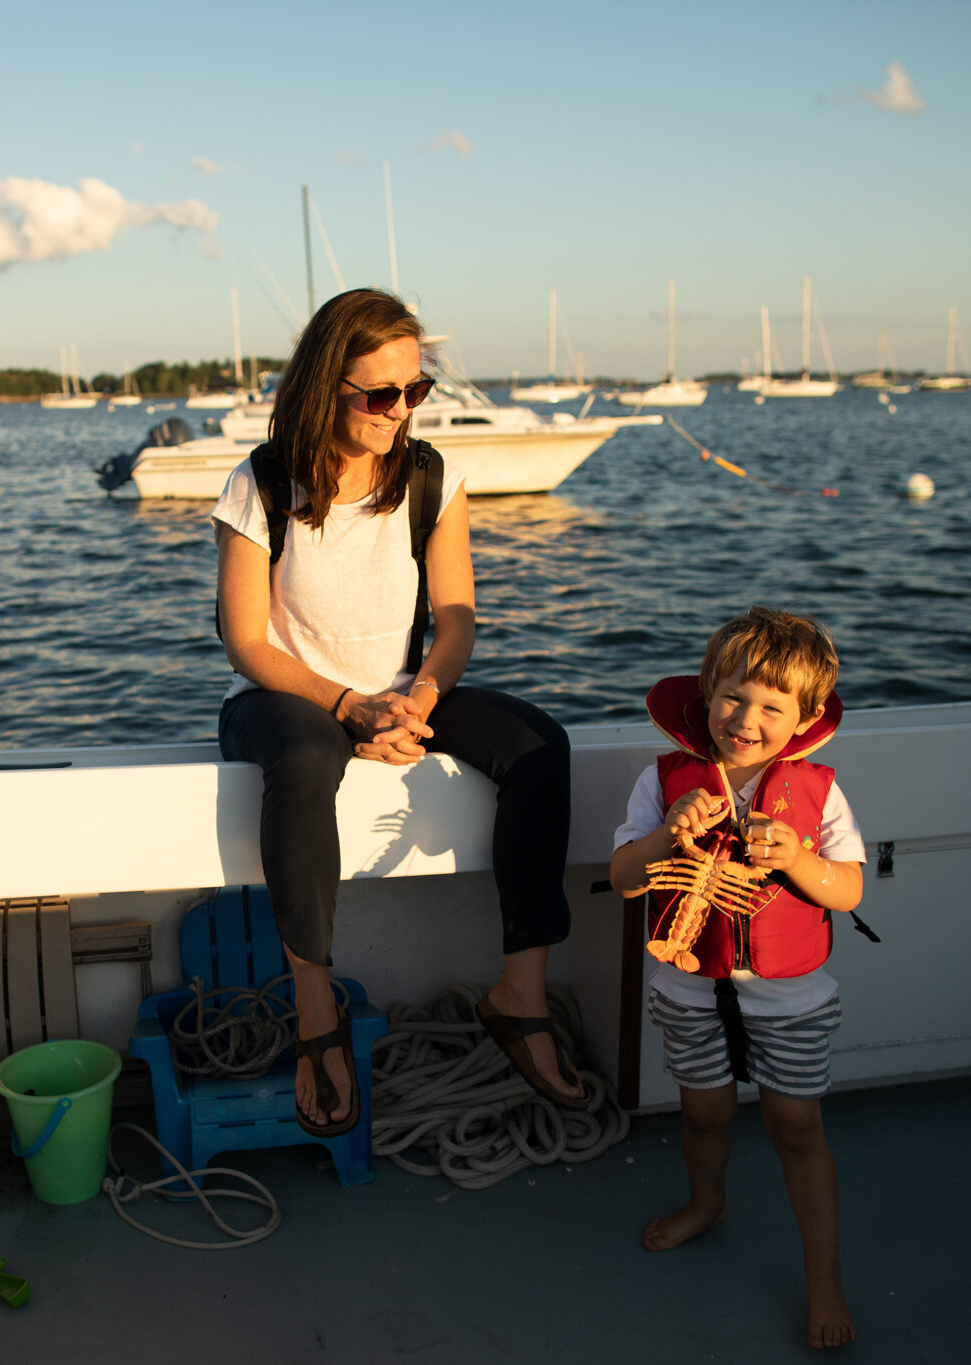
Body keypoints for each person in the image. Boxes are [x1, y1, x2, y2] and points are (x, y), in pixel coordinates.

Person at [212, 287, 586, 1139]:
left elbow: (456, 618)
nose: (400, 410)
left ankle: (518, 991)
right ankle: (315, 1012)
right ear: (323, 384)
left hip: (397, 692)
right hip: (281, 701)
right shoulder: (261, 482)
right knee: (307, 758)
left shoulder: (431, 478)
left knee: (540, 746)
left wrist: (418, 695)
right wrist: (348, 707)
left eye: (414, 390)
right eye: (379, 393)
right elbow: (247, 642)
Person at [608, 606, 865, 1350]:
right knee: (704, 1113)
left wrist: (794, 858)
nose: (745, 718)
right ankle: (707, 1202)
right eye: (732, 696)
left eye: (771, 706)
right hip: (688, 984)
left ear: (807, 717)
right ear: (705, 692)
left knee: (796, 1125)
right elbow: (627, 878)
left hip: (790, 996)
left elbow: (847, 889)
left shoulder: (818, 791)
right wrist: (667, 834)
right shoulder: (662, 783)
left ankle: (824, 1275)